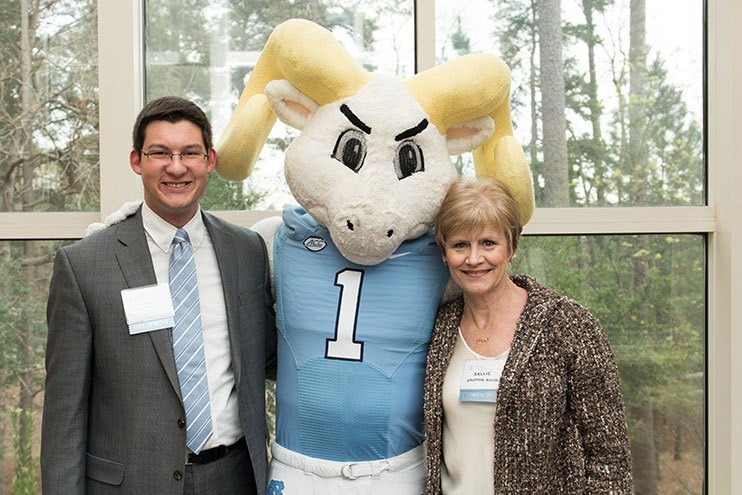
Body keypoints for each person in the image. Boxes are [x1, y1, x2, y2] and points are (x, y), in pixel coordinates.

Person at [41, 96, 277, 495]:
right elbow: (65, 416)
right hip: (131, 484)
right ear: (137, 161)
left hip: (235, 477)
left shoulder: (247, 251)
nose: (176, 167)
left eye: (190, 153)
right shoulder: (84, 266)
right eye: (160, 153)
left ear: (210, 160)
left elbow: (269, 355)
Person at [424, 177, 633, 494]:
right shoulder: (438, 327)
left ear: (512, 247)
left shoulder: (567, 325)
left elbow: (610, 458)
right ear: (444, 253)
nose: (474, 258)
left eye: (488, 243)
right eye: (460, 245)